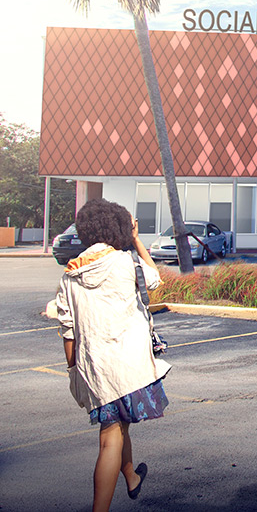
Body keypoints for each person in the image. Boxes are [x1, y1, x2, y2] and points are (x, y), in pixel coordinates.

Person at [54, 198, 170, 512]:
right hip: (129, 365)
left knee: (118, 426)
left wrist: (74, 372)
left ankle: (131, 476)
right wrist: (136, 239)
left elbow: (68, 332)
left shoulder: (69, 275)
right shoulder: (126, 263)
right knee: (110, 439)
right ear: (117, 228)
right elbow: (155, 278)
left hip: (95, 368)